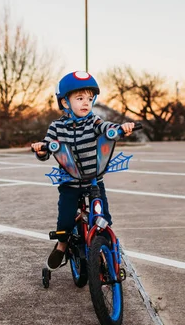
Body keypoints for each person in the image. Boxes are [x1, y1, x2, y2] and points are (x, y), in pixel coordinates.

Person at [31, 71, 135, 270]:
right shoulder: (56, 127)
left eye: (89, 98)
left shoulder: (93, 121)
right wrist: (41, 148)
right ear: (65, 103)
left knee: (104, 217)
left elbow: (106, 127)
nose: (85, 103)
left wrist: (122, 128)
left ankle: (104, 251)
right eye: (79, 98)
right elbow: (47, 148)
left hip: (94, 181)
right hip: (70, 182)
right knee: (65, 219)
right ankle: (61, 246)